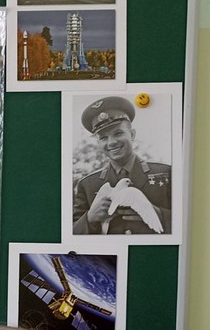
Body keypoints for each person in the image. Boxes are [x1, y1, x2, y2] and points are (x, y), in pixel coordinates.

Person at [72, 96, 171, 235]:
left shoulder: (166, 173)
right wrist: (89, 219)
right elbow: (70, 235)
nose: (111, 142)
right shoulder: (87, 185)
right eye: (103, 138)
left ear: (132, 134)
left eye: (118, 133)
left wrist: (159, 215)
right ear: (98, 143)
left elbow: (191, 219)